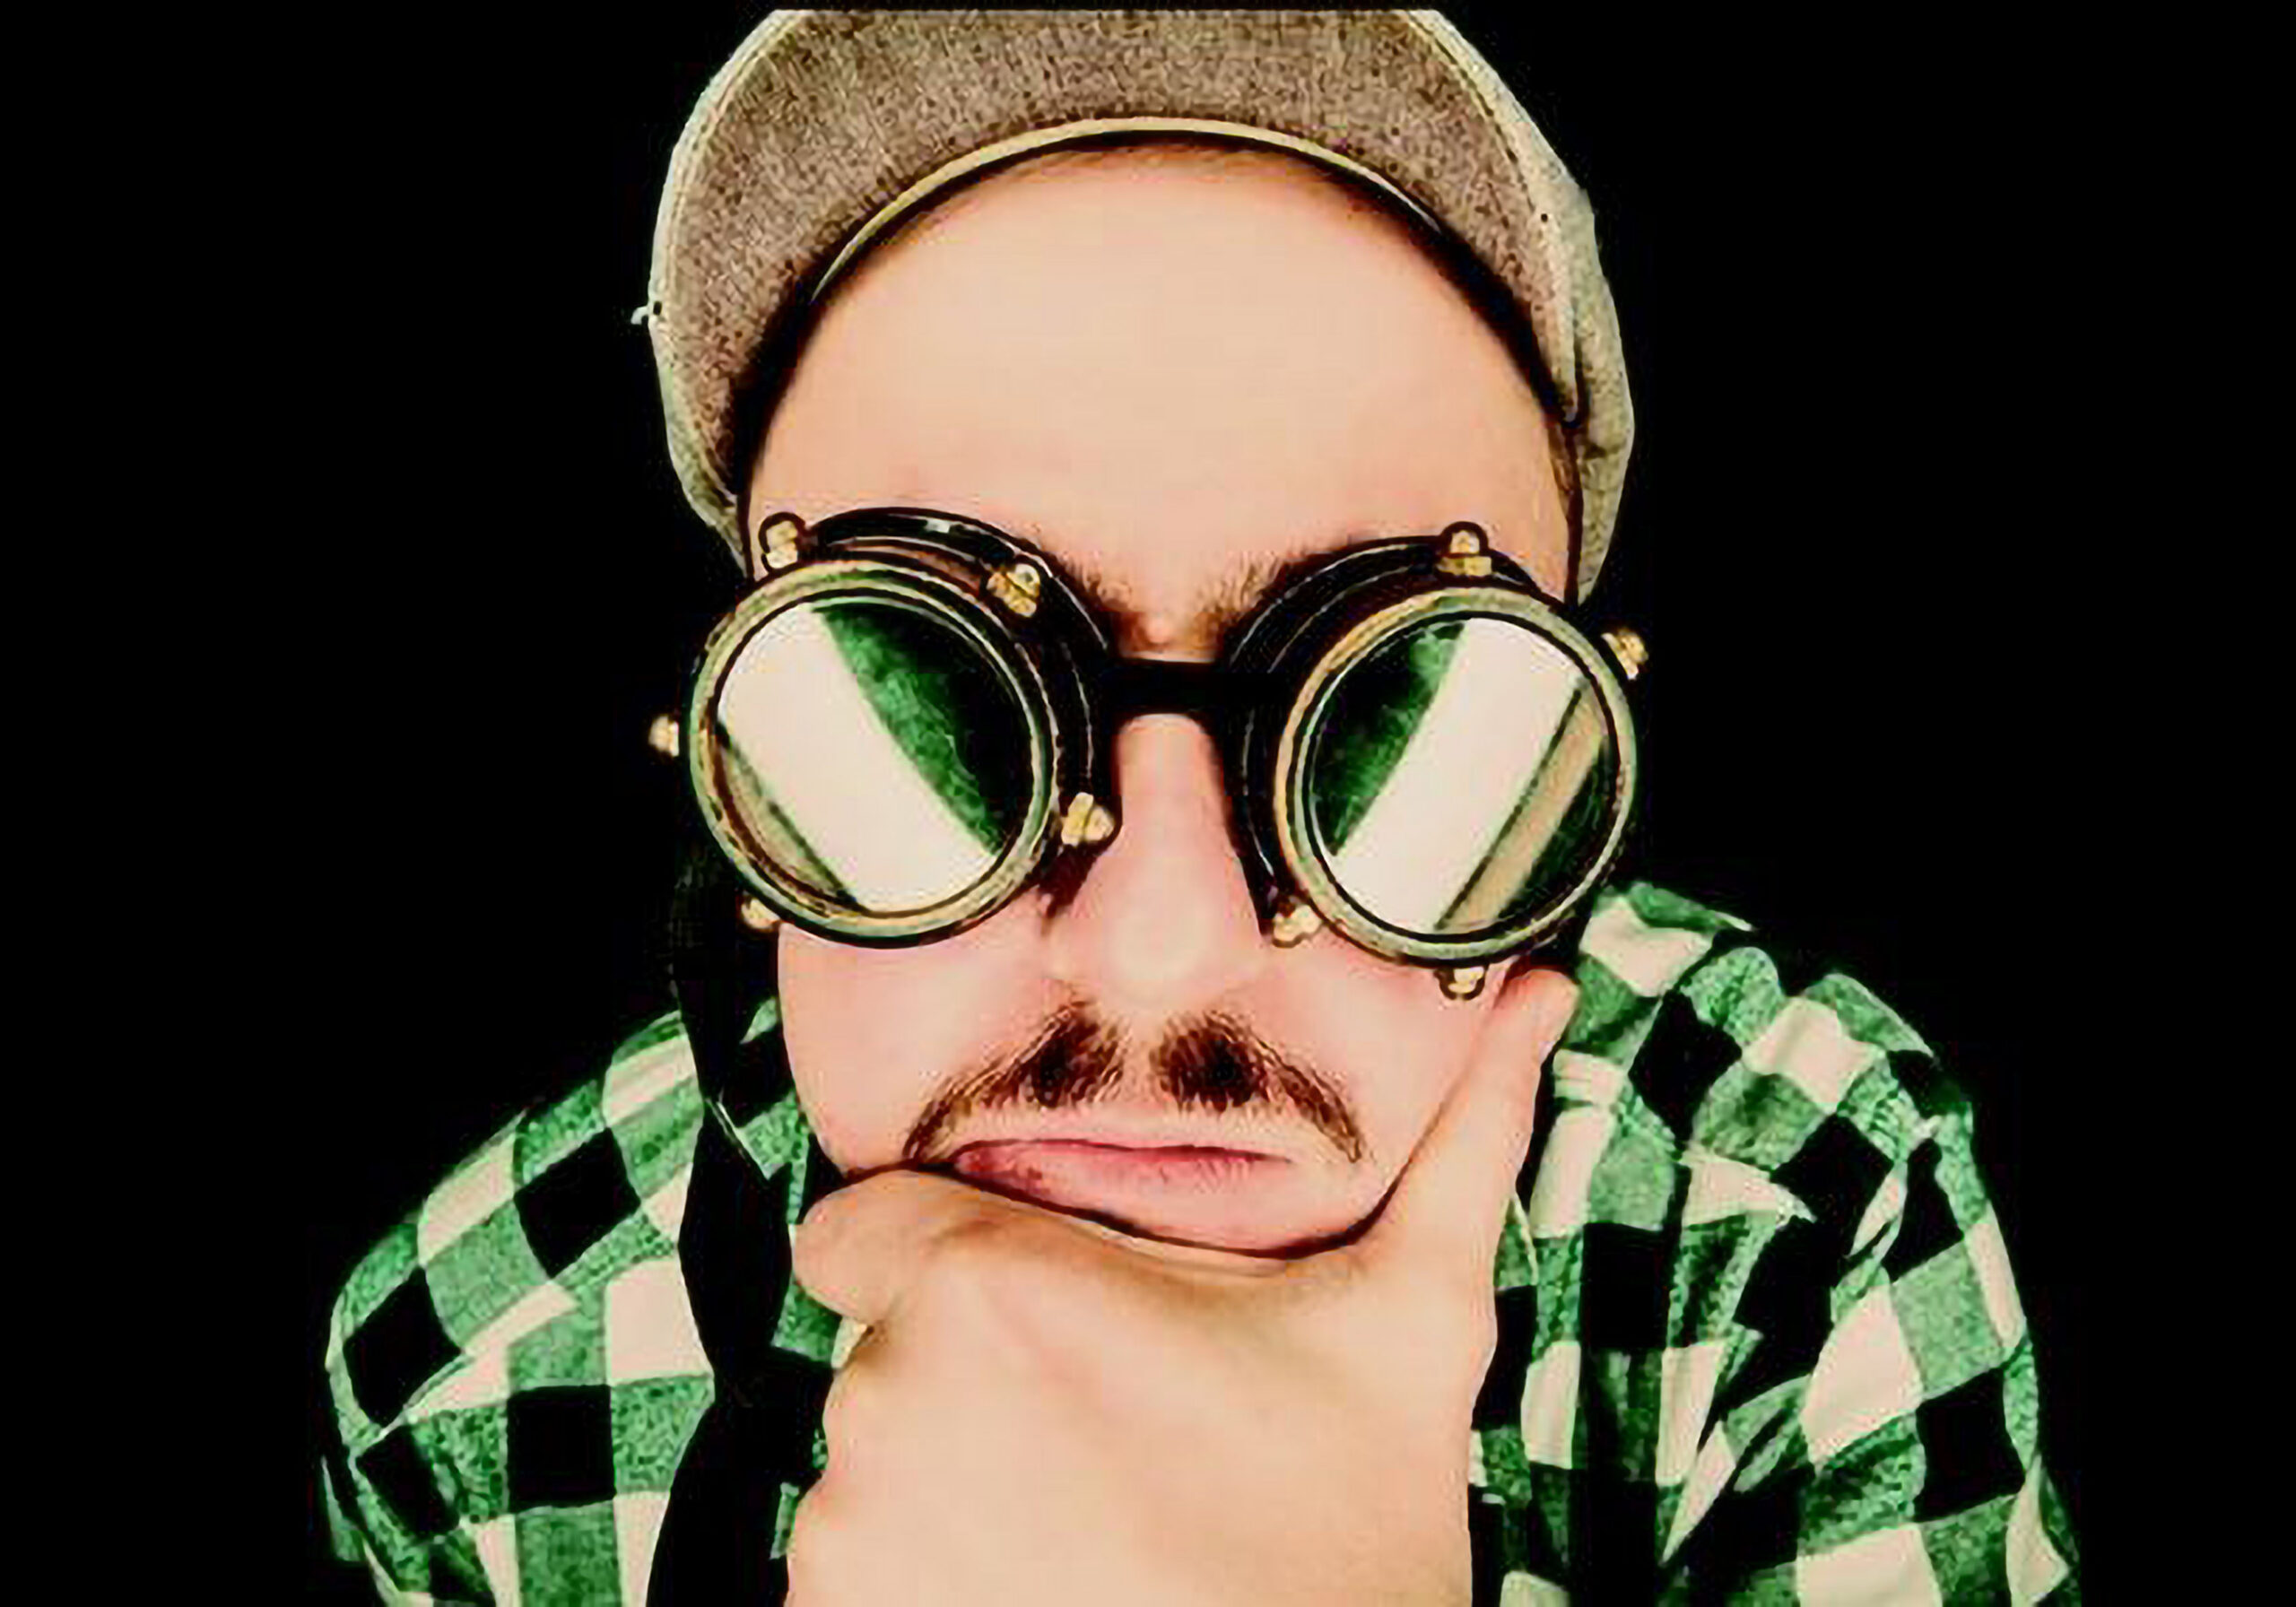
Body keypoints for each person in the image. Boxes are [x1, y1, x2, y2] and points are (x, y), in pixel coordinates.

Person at [316, 12, 2082, 1602]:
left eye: (1396, 724)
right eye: (926, 704)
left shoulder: (1789, 1210)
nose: (1160, 942)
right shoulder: (467, 1380)